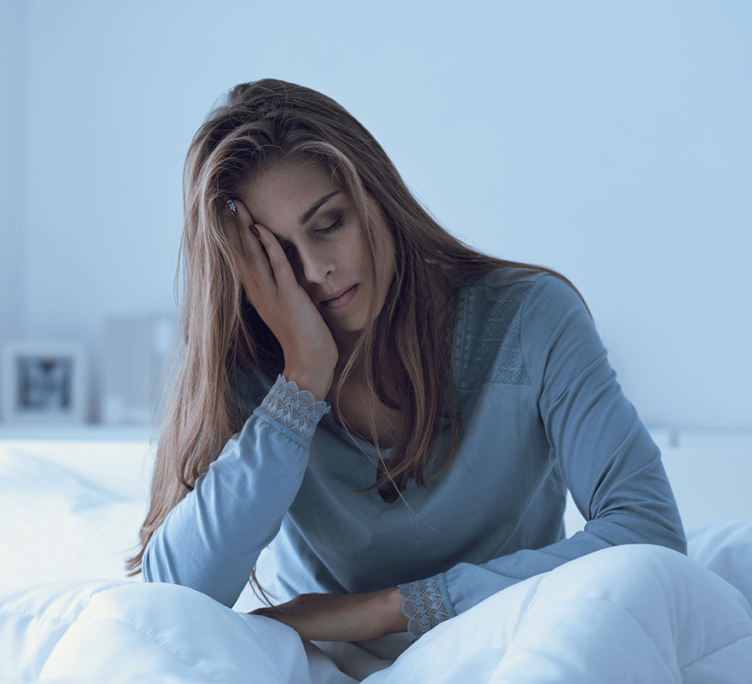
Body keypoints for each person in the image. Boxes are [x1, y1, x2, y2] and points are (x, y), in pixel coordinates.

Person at [127, 78, 686, 645]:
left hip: (505, 644)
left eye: (329, 225)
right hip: (320, 662)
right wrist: (301, 384)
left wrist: (394, 608)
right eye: (277, 258)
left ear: (378, 197)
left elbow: (650, 533)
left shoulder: (530, 318)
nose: (315, 270)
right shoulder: (254, 371)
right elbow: (173, 599)